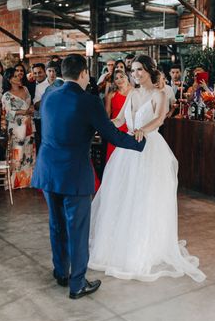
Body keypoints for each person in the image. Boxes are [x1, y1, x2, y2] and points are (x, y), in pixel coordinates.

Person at [31, 54, 146, 299]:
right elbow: (112, 135)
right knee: (78, 228)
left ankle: (61, 272)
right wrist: (140, 143)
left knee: (57, 224)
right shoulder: (89, 101)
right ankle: (77, 283)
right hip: (73, 173)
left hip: (48, 170)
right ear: (83, 73)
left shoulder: (49, 94)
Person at [89, 54, 206, 283]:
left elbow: (160, 119)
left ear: (150, 71)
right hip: (128, 149)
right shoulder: (131, 93)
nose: (135, 75)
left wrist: (143, 129)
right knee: (124, 196)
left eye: (139, 70)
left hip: (149, 148)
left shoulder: (159, 94)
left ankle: (144, 247)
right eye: (133, 71)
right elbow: (121, 120)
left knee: (145, 197)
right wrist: (101, 126)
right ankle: (122, 243)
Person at [1, 63, 35, 189]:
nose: (19, 77)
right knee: (17, 153)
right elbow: (8, 114)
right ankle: (15, 181)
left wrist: (30, 109)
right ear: (9, 80)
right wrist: (23, 112)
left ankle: (28, 180)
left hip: (29, 124)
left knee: (29, 152)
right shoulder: (7, 95)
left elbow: (29, 104)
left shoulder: (25, 89)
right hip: (16, 127)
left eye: (19, 75)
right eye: (15, 76)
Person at [104, 70, 133, 161]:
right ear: (114, 82)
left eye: (121, 76)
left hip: (130, 128)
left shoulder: (135, 92)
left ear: (127, 77)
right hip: (116, 128)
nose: (119, 80)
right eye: (116, 78)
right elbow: (107, 114)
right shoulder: (111, 95)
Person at [32, 63, 49, 149]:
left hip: (45, 119)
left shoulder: (49, 85)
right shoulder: (31, 85)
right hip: (34, 118)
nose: (37, 75)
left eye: (40, 72)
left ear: (45, 72)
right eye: (35, 73)